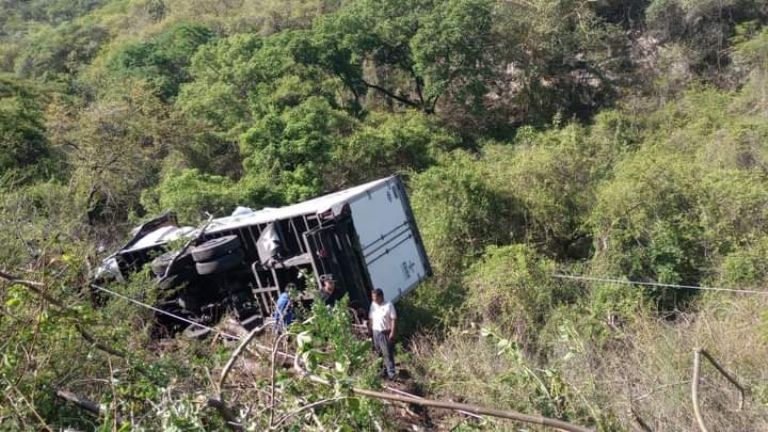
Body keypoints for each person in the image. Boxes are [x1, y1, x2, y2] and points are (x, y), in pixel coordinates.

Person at [369, 288, 397, 379]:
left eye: (376, 298)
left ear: (381, 297)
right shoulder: (373, 305)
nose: (374, 300)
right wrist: (370, 329)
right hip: (375, 332)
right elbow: (371, 318)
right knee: (378, 353)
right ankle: (382, 372)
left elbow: (393, 319)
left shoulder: (389, 305)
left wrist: (392, 332)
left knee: (387, 353)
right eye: (373, 298)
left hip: (385, 332)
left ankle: (391, 374)